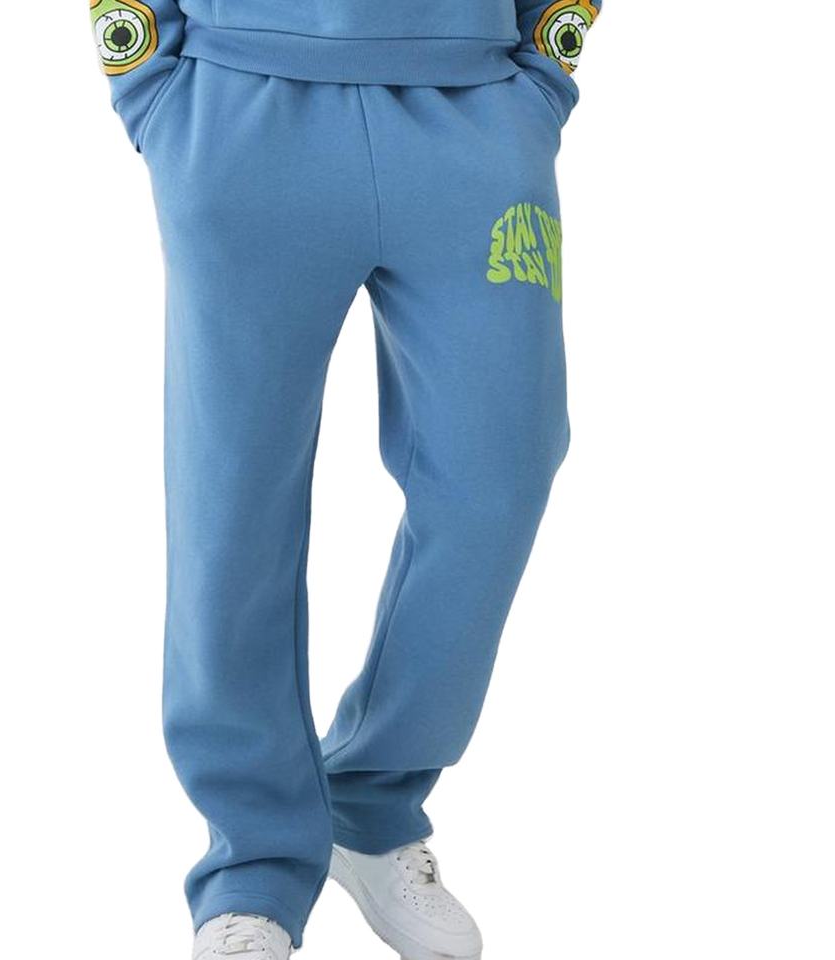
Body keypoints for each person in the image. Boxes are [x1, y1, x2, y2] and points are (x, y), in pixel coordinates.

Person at [90, 1, 602, 957]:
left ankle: (372, 802)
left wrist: (546, 71)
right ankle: (252, 860)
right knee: (233, 497)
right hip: (240, 102)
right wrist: (145, 73)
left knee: (501, 472)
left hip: (477, 106)